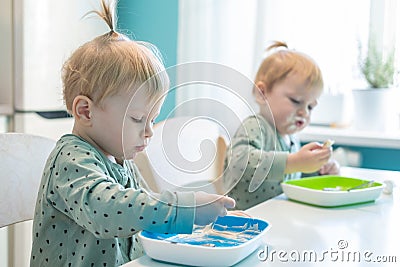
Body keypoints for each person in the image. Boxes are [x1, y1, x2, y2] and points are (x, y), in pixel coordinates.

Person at [30, 1, 235, 266]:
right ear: (85, 111)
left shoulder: (120, 159)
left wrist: (204, 225)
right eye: (138, 119)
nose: (149, 132)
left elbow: (146, 210)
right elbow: (107, 210)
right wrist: (185, 208)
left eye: (153, 119)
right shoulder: (71, 160)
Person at [222, 41, 339, 210]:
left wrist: (317, 169)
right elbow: (239, 164)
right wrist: (293, 162)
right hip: (243, 223)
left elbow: (290, 175)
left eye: (310, 106)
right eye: (296, 101)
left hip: (277, 218)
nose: (304, 112)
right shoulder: (255, 126)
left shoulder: (290, 138)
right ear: (262, 93)